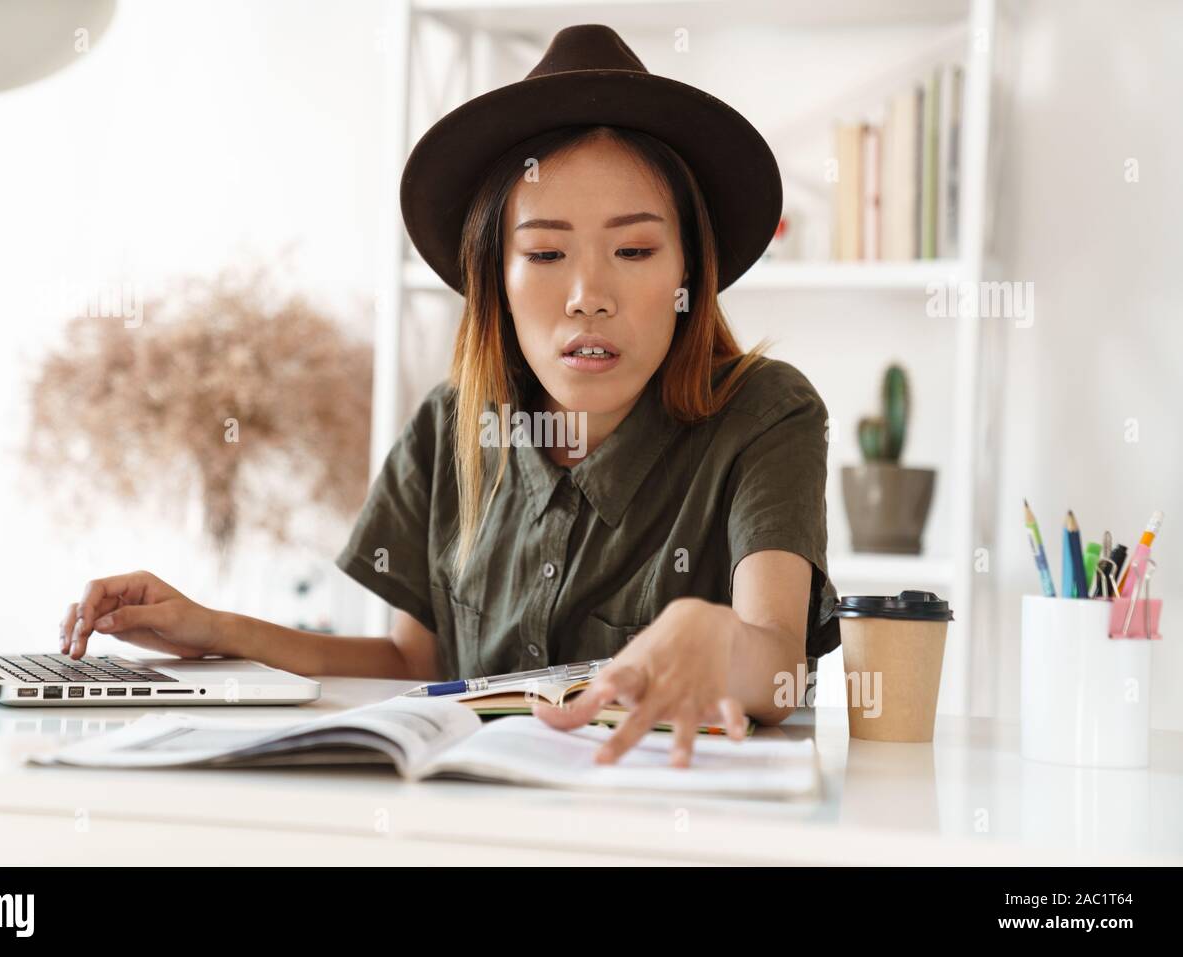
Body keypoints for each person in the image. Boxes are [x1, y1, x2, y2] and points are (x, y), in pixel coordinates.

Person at [59, 24, 840, 768]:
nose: (587, 295)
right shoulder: (450, 425)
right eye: (544, 252)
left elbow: (777, 665)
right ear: (495, 278)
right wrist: (215, 627)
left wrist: (712, 636)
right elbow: (407, 664)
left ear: (686, 273)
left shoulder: (765, 414)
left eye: (634, 249)